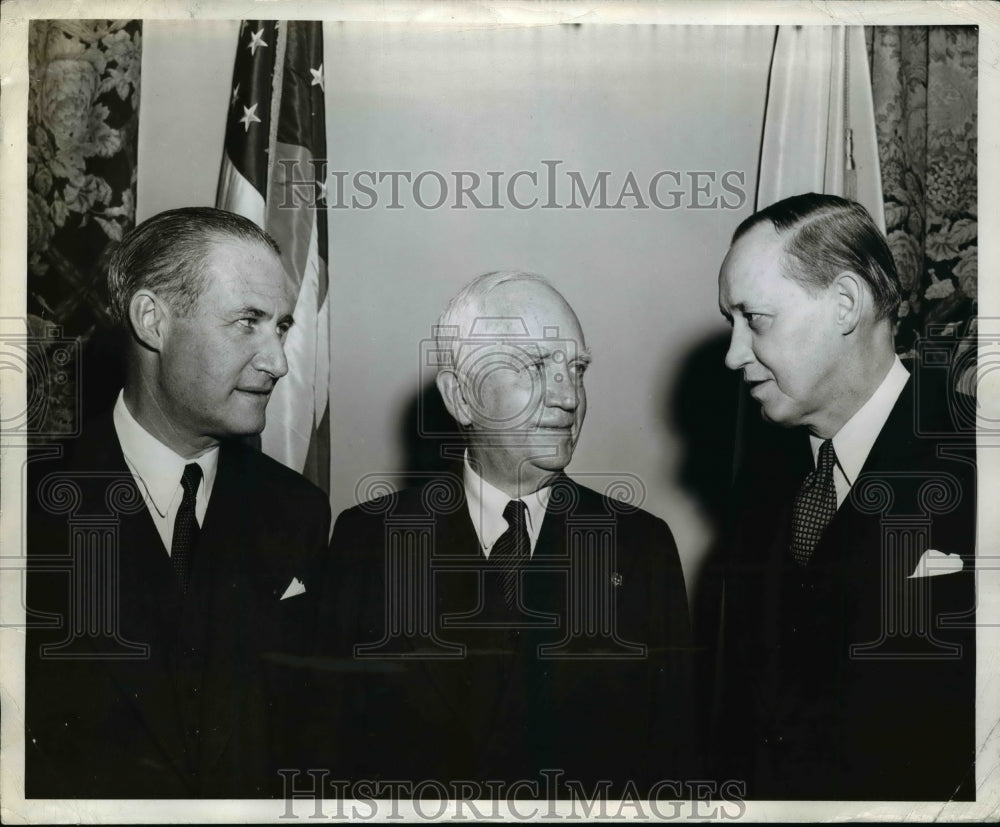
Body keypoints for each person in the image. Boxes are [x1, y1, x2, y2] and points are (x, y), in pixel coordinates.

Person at [320, 271, 695, 797]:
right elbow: (331, 755)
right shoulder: (367, 541)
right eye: (538, 365)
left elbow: (672, 764)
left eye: (577, 368)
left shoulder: (641, 546)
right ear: (461, 396)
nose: (569, 397)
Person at [25, 207, 332, 798]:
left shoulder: (299, 511)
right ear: (152, 321)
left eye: (283, 326)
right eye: (248, 321)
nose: (279, 363)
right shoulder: (23, 509)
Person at [715, 193, 975, 800]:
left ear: (844, 304)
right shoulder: (762, 491)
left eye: (755, 319)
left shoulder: (976, 463)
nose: (733, 354)